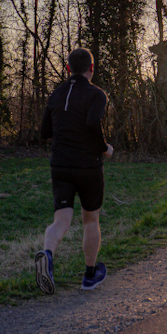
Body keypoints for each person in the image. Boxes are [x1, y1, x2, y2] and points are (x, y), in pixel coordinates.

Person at [35, 46, 114, 294]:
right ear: (92, 69)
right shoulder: (97, 94)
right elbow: (93, 122)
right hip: (88, 166)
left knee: (61, 220)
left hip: (60, 166)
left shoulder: (56, 94)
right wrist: (104, 149)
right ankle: (90, 276)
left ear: (68, 68)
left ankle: (47, 254)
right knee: (90, 219)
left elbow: (44, 132)